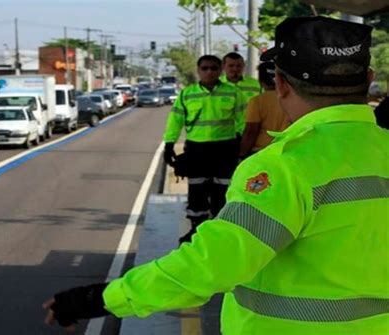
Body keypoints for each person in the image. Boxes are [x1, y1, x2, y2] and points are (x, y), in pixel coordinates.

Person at [43, 17, 389, 335]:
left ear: (280, 83)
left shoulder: (285, 167)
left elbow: (210, 266)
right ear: (369, 80)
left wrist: (99, 298)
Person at [162, 55, 245, 244]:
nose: (209, 72)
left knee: (222, 190)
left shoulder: (232, 92)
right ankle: (196, 229)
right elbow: (175, 120)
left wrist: (240, 140)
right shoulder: (187, 94)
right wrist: (169, 144)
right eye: (205, 68)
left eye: (214, 68)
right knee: (197, 189)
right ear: (198, 71)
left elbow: (242, 117)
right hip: (196, 150)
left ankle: (219, 230)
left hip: (225, 148)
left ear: (220, 70)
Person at [239, 61, 290, 158]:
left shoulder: (257, 101)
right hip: (285, 148)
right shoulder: (291, 99)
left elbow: (251, 131)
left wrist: (242, 154)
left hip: (262, 151)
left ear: (260, 81)